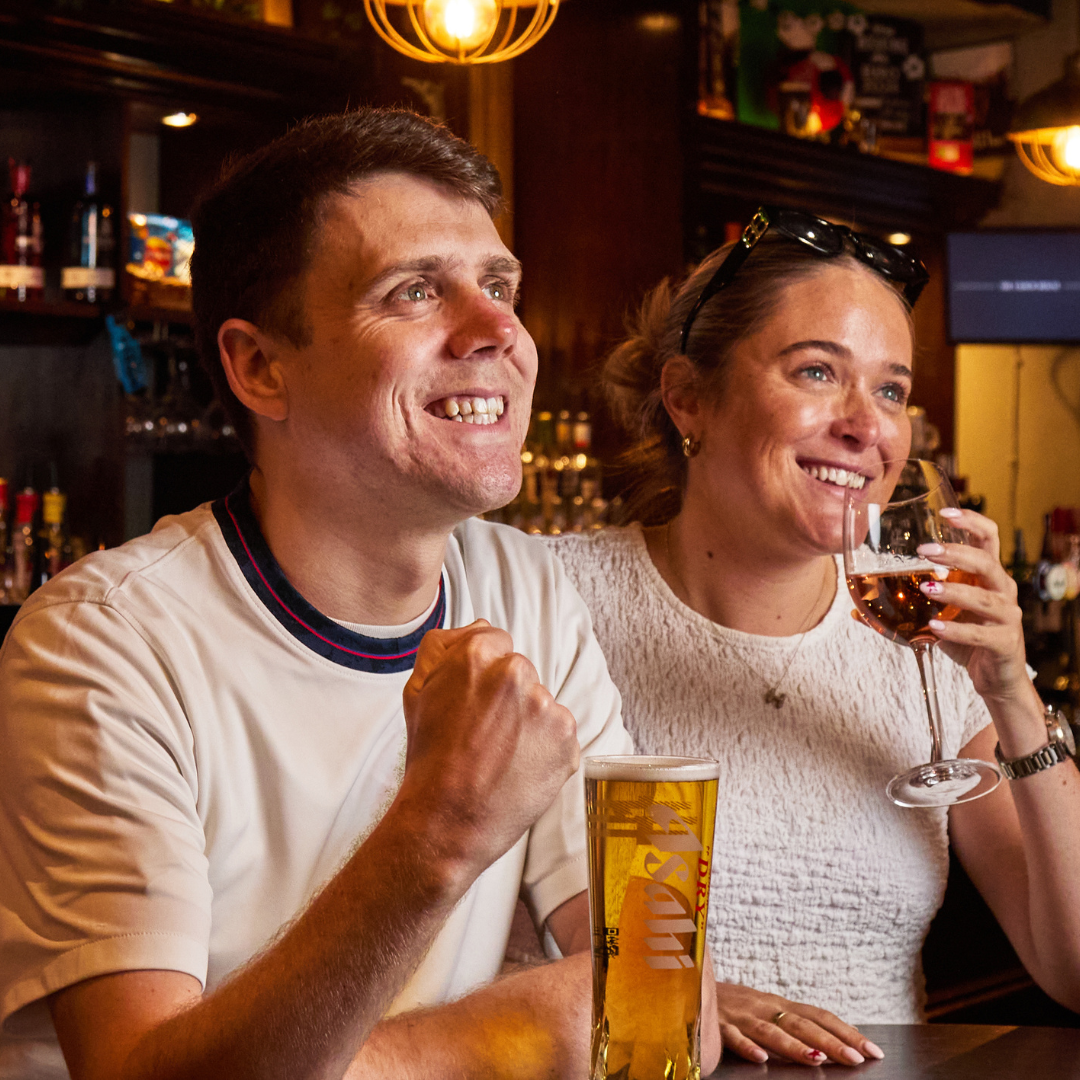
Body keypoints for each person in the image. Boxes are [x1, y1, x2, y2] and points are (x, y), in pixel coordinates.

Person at [0, 109, 662, 1080]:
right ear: (260, 366)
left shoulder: (529, 591)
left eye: (499, 286)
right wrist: (442, 841)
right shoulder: (102, 644)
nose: (500, 332)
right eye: (415, 292)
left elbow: (656, 982)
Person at [547, 207, 1080, 1067]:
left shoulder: (928, 649)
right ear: (688, 397)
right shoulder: (548, 601)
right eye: (817, 371)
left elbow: (1077, 969)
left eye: (892, 390)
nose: (867, 426)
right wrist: (679, 995)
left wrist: (1012, 695)